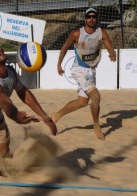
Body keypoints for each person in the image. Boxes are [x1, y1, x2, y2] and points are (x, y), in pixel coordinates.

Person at [52, 7, 116, 140]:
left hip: (91, 70)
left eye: (94, 17)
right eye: (89, 17)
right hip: (79, 69)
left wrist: (112, 54)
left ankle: (57, 115)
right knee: (96, 96)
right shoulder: (76, 34)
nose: (91, 19)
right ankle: (97, 125)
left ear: (96, 18)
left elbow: (108, 43)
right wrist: (59, 64)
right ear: (85, 18)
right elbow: (64, 48)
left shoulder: (101, 32)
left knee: (82, 102)